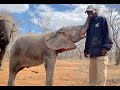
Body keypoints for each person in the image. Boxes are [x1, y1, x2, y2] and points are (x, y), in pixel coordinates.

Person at [84, 5, 113, 86]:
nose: (89, 13)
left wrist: (106, 47)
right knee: (92, 76)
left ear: (95, 10)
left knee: (101, 76)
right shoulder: (89, 23)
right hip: (92, 54)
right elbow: (88, 39)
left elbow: (108, 33)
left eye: (91, 11)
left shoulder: (102, 19)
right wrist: (86, 50)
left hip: (101, 53)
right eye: (88, 12)